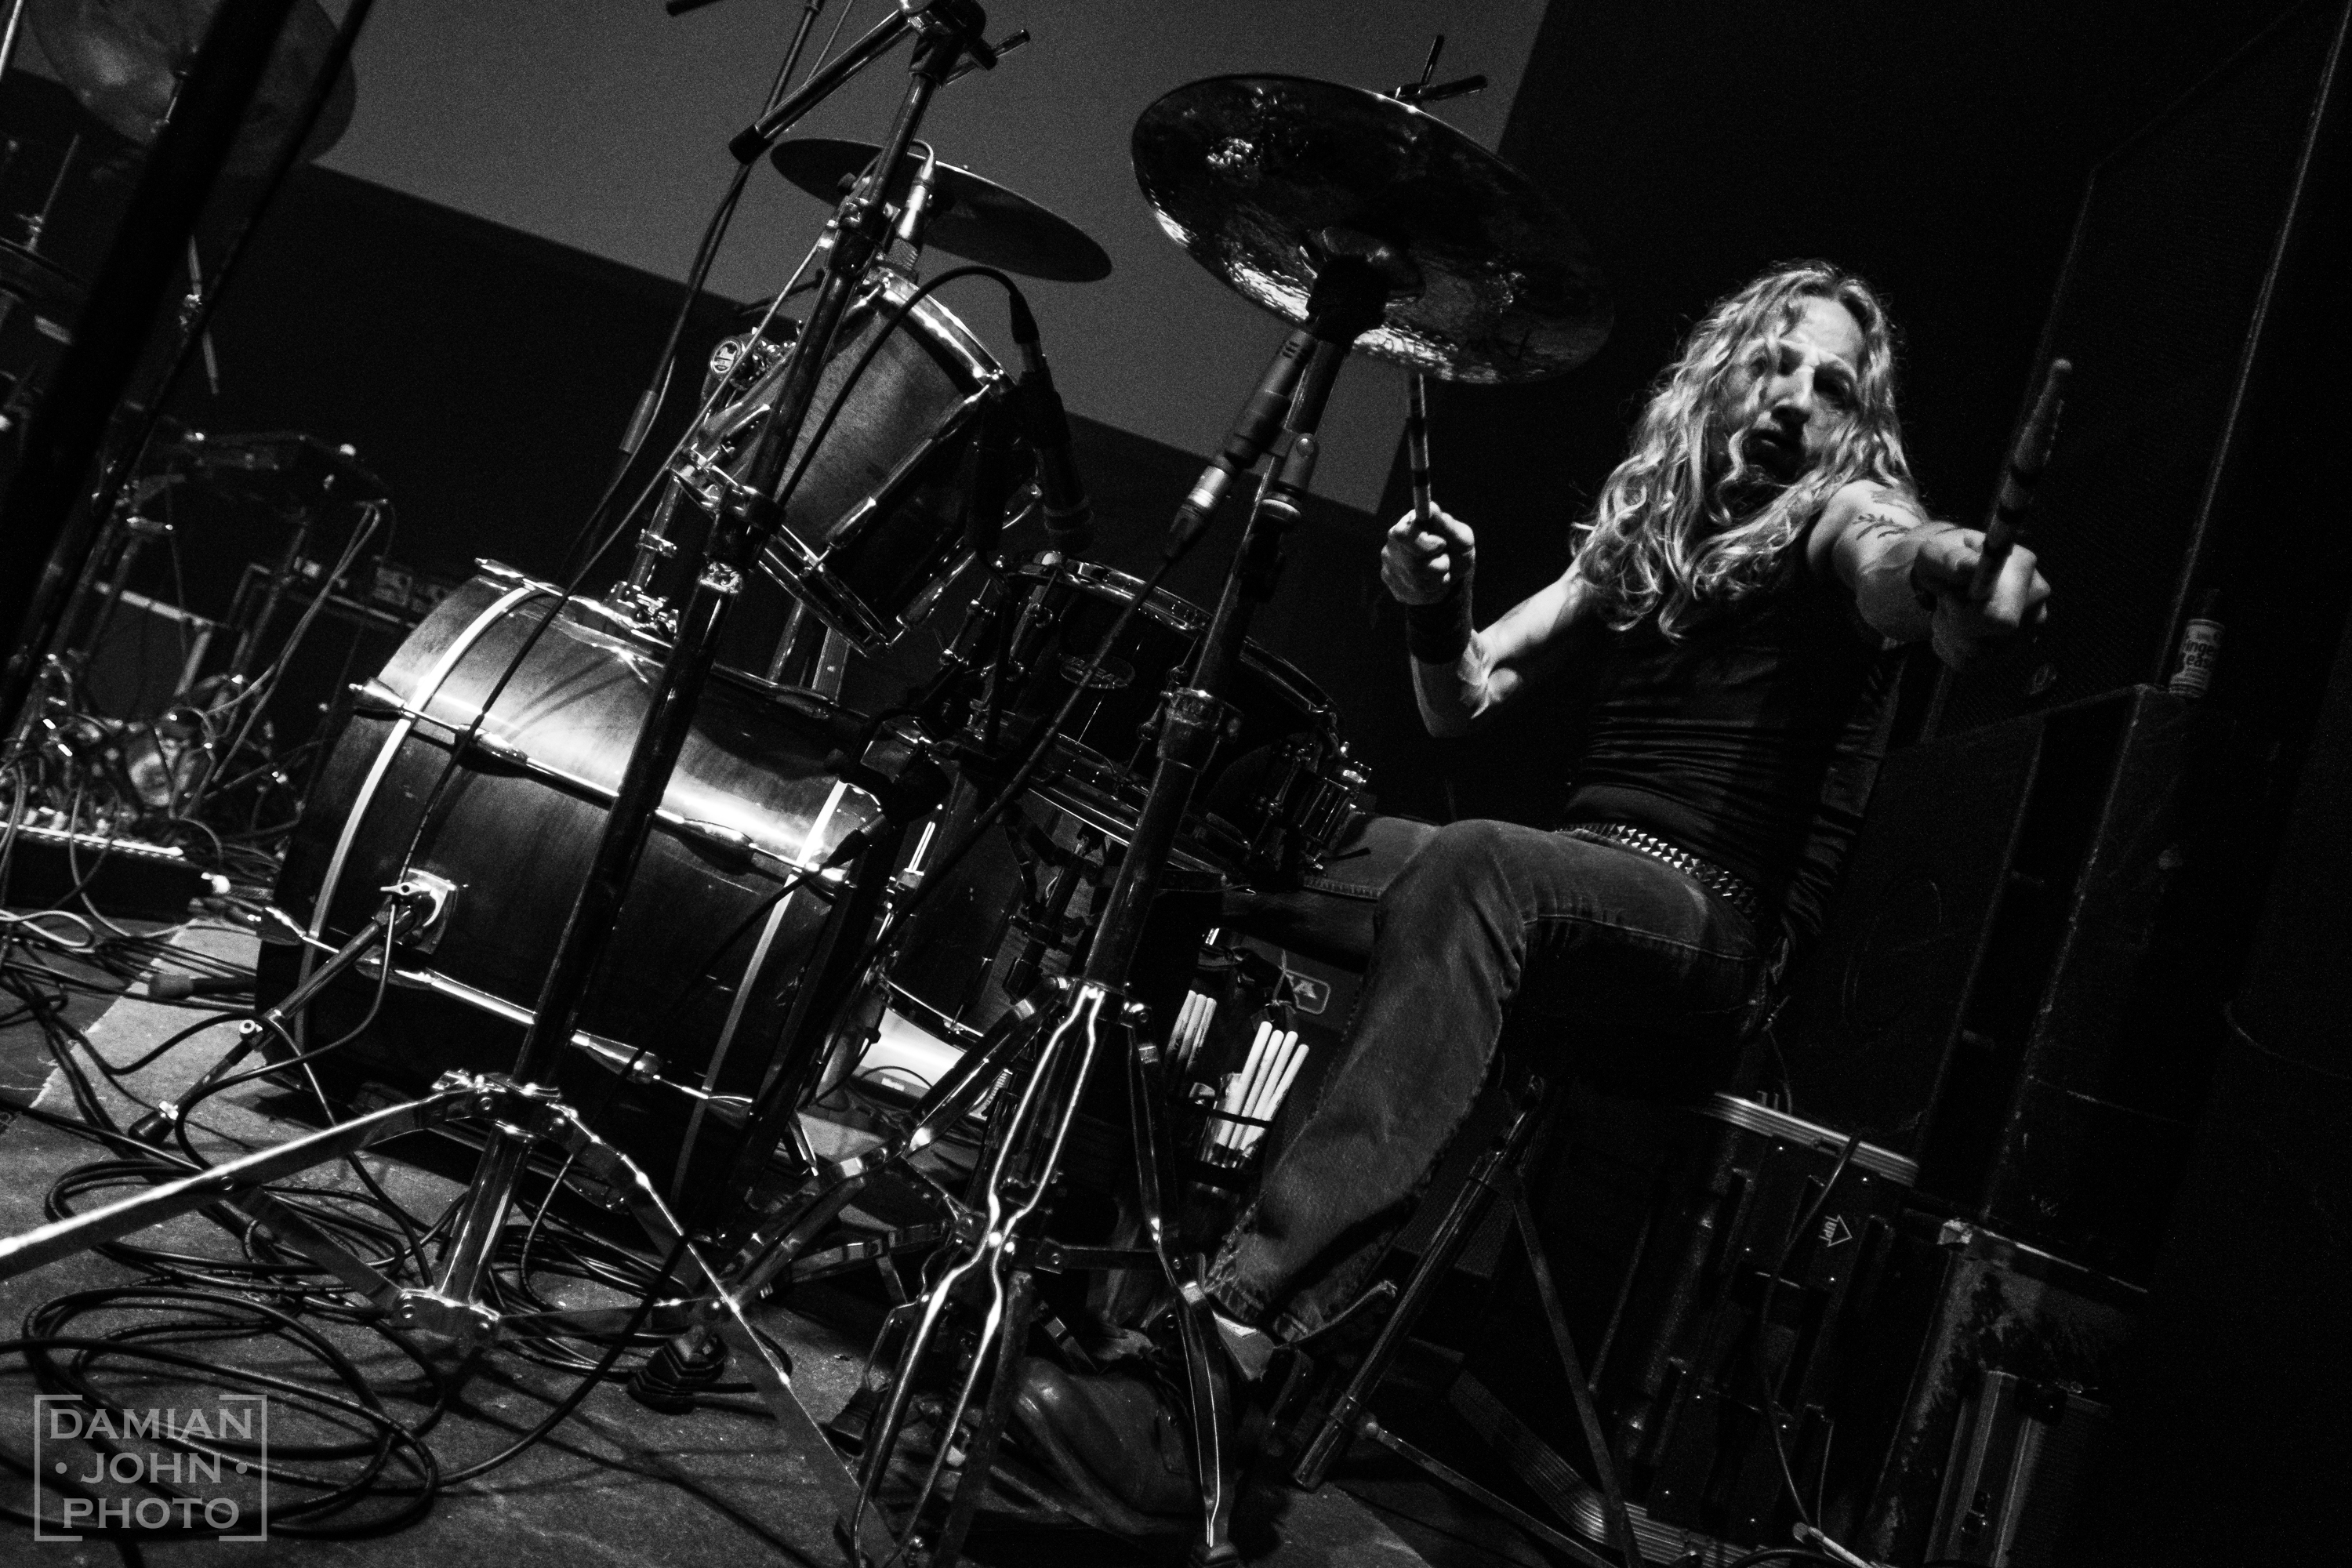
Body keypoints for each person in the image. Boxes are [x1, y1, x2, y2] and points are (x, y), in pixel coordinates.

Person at [1009, 260, 2053, 1533]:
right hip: (1566, 887)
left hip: (1708, 930)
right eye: (1773, 365)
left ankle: (1226, 1359)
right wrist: (1433, 607)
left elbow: (1902, 566)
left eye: (1830, 387)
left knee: (1480, 864)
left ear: (1856, 427)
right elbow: (1464, 696)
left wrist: (1958, 569)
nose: (1793, 397)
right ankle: (1073, 1253)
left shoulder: (1845, 517)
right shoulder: (1649, 537)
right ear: (1720, 377)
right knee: (1224, 832)